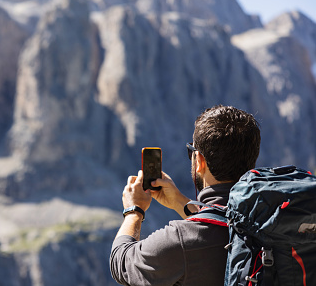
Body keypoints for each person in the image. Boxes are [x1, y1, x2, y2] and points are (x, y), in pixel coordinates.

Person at [110, 105, 261, 286]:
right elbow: (224, 221)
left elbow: (121, 262)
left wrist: (134, 210)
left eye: (192, 153)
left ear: (199, 161)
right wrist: (179, 202)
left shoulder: (181, 241)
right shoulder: (269, 218)